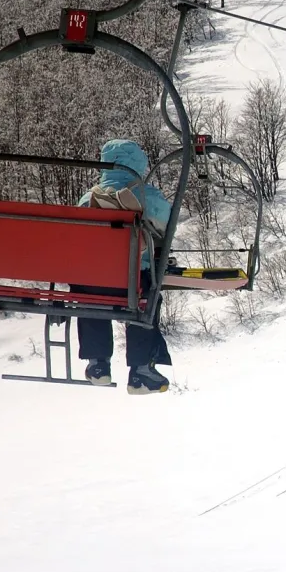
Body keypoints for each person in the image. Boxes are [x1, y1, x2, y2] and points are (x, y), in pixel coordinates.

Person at [76, 139, 174, 395]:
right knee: (148, 299)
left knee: (89, 298)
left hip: (91, 284)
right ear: (138, 164)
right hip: (131, 283)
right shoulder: (146, 196)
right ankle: (141, 369)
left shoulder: (88, 199)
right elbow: (167, 223)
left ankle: (98, 363)